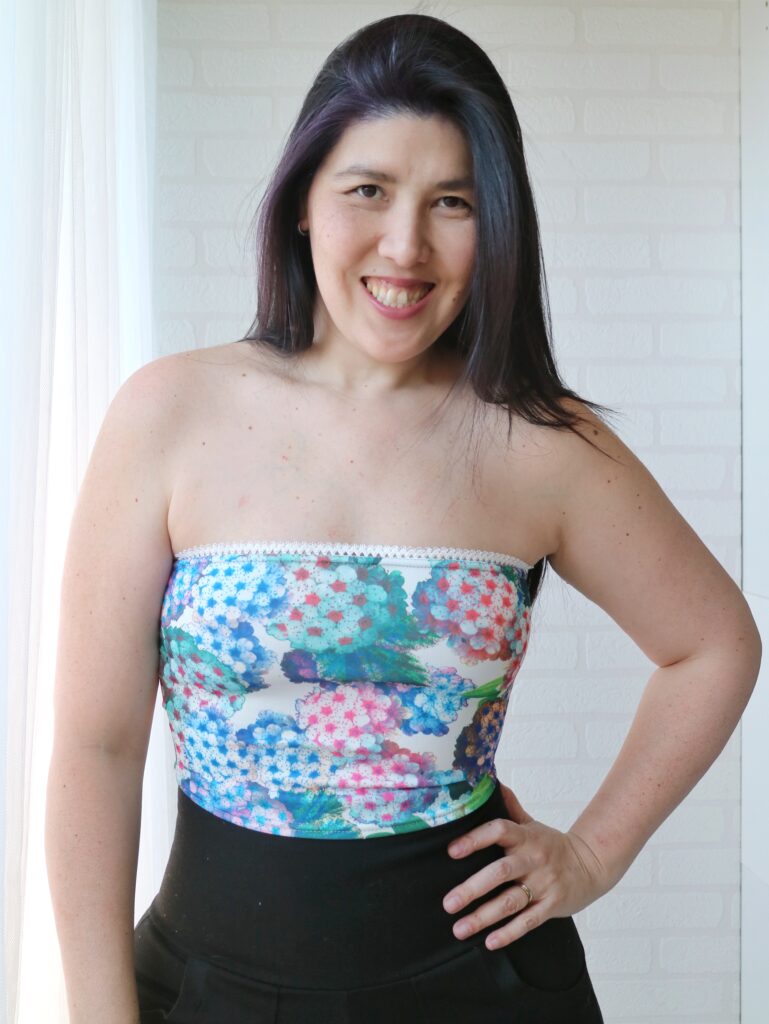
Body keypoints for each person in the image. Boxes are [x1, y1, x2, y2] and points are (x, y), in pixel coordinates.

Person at [45, 12, 761, 1024]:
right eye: (368, 190)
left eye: (452, 202)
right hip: (204, 989)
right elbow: (97, 749)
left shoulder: (542, 444)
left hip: (483, 989)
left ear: (495, 225)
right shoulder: (167, 412)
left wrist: (593, 853)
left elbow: (714, 643)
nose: (405, 245)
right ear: (303, 202)